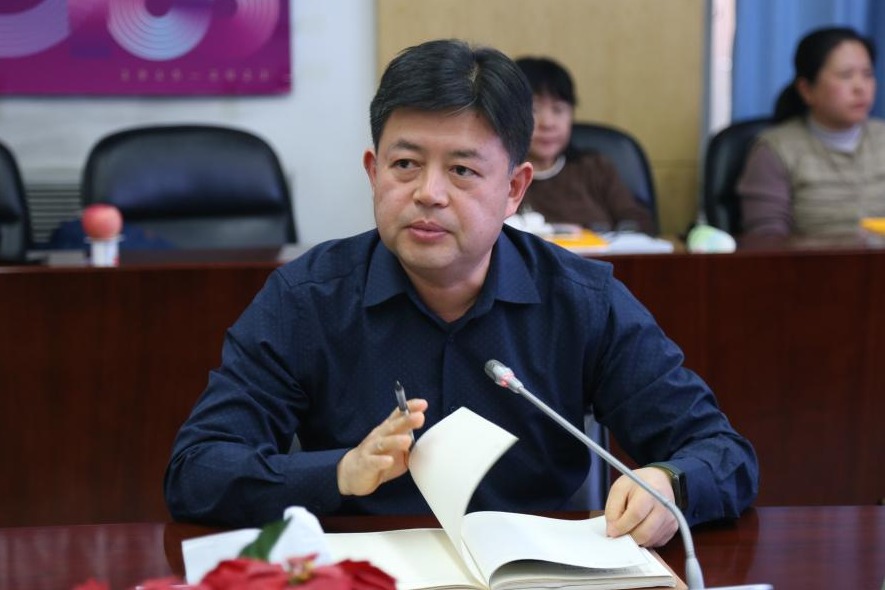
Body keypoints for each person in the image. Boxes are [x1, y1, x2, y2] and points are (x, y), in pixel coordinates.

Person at [164, 39, 758, 548]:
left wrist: (671, 482)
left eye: (463, 171)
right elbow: (198, 470)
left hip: (536, 575)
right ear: (373, 172)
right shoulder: (308, 298)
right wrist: (339, 472)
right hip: (368, 572)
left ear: (514, 188)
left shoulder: (580, 299)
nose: (429, 193)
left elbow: (721, 452)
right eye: (405, 164)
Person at [737, 26, 885, 236]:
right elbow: (767, 240)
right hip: (809, 258)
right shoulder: (775, 150)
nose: (860, 87)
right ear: (806, 89)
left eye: (867, 74)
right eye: (846, 75)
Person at [514, 56, 656, 234]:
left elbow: (640, 222)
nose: (548, 123)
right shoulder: (502, 175)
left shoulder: (595, 168)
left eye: (558, 109)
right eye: (534, 109)